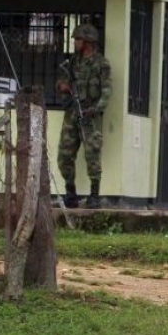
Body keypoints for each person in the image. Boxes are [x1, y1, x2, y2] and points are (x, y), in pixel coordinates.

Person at [57, 23, 111, 209]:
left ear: (88, 41)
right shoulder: (72, 62)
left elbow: (106, 92)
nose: (75, 43)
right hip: (72, 113)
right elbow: (64, 82)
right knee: (64, 155)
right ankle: (70, 193)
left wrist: (95, 109)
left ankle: (94, 195)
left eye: (78, 39)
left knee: (92, 155)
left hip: (89, 115)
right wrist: (63, 87)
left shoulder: (101, 64)